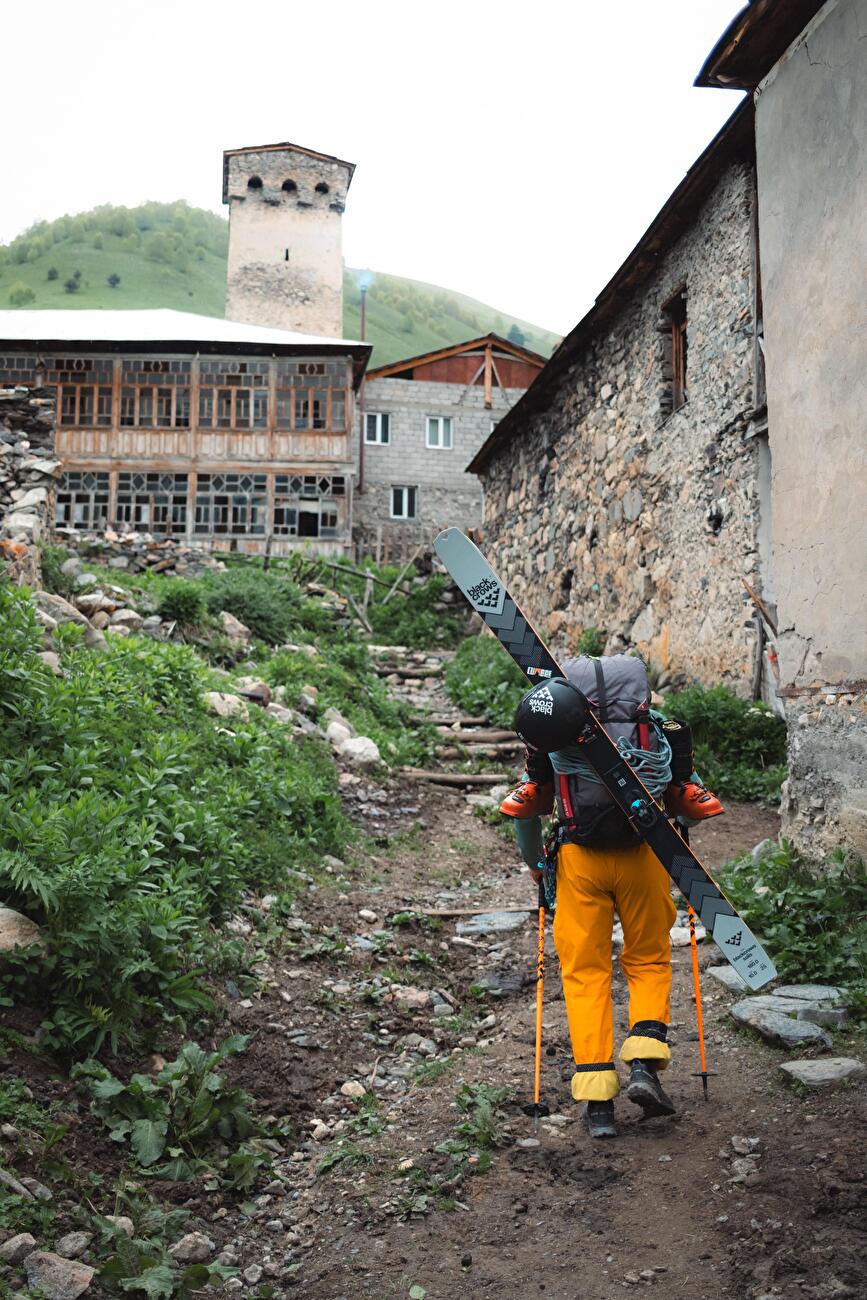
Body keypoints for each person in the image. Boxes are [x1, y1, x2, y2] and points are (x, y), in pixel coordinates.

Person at [508, 655, 721, 1139]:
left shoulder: (553, 733)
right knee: (647, 958)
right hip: (644, 853)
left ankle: (598, 1102)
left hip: (578, 860)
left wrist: (538, 867)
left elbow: (528, 806)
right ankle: (644, 1063)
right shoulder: (661, 732)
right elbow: (685, 800)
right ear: (638, 692)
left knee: (585, 972)